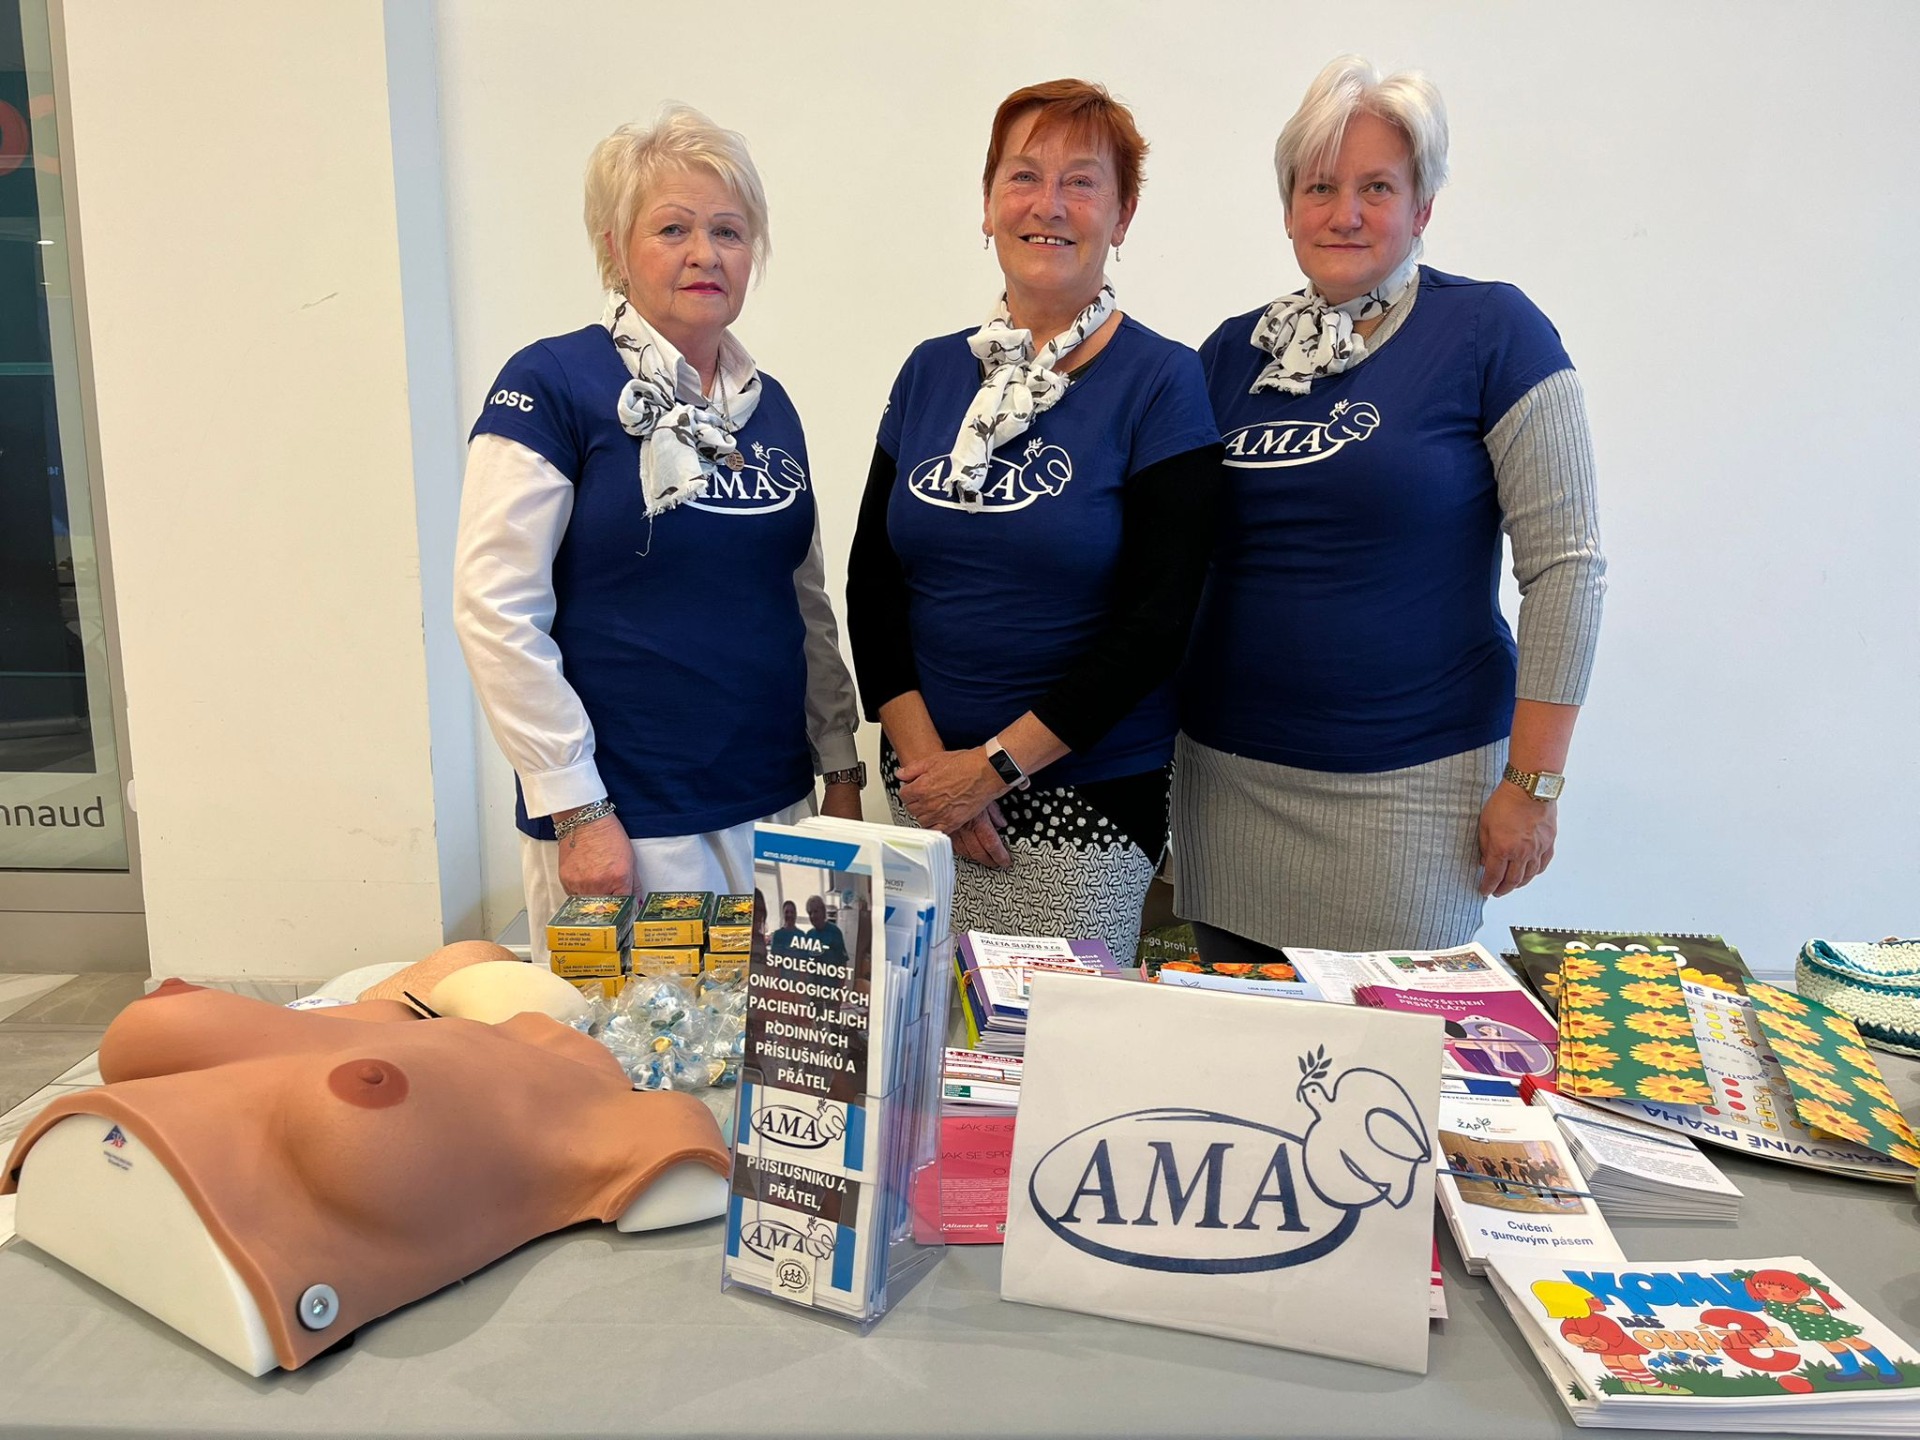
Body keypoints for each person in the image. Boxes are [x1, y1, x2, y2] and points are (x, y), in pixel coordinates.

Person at [1174, 56, 1605, 958]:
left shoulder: (1494, 333)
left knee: (1392, 1043)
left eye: (1377, 186)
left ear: (1423, 207)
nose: (1346, 213)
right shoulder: (1228, 355)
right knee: (1238, 1037)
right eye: (1320, 187)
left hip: (1414, 793)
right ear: (1289, 207)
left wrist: (1533, 784)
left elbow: (1568, 571)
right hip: (1227, 787)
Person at [454, 107, 863, 965]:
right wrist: (578, 808)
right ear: (615, 248)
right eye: (673, 228)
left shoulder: (770, 407)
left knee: (781, 1042)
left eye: (729, 231)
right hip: (629, 828)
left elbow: (803, 601)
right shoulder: (553, 383)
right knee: (632, 1052)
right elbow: (495, 610)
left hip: (780, 812)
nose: (705, 254)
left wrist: (840, 769)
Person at [846, 79, 1222, 957]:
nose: (1048, 204)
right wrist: (931, 775)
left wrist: (991, 770)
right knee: (923, 1028)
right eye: (1023, 176)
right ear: (987, 205)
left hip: (1085, 802)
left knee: (1052, 1034)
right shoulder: (930, 372)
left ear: (1122, 216)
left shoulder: (1162, 381)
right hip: (924, 792)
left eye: (1081, 182)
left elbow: (1159, 621)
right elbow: (873, 581)